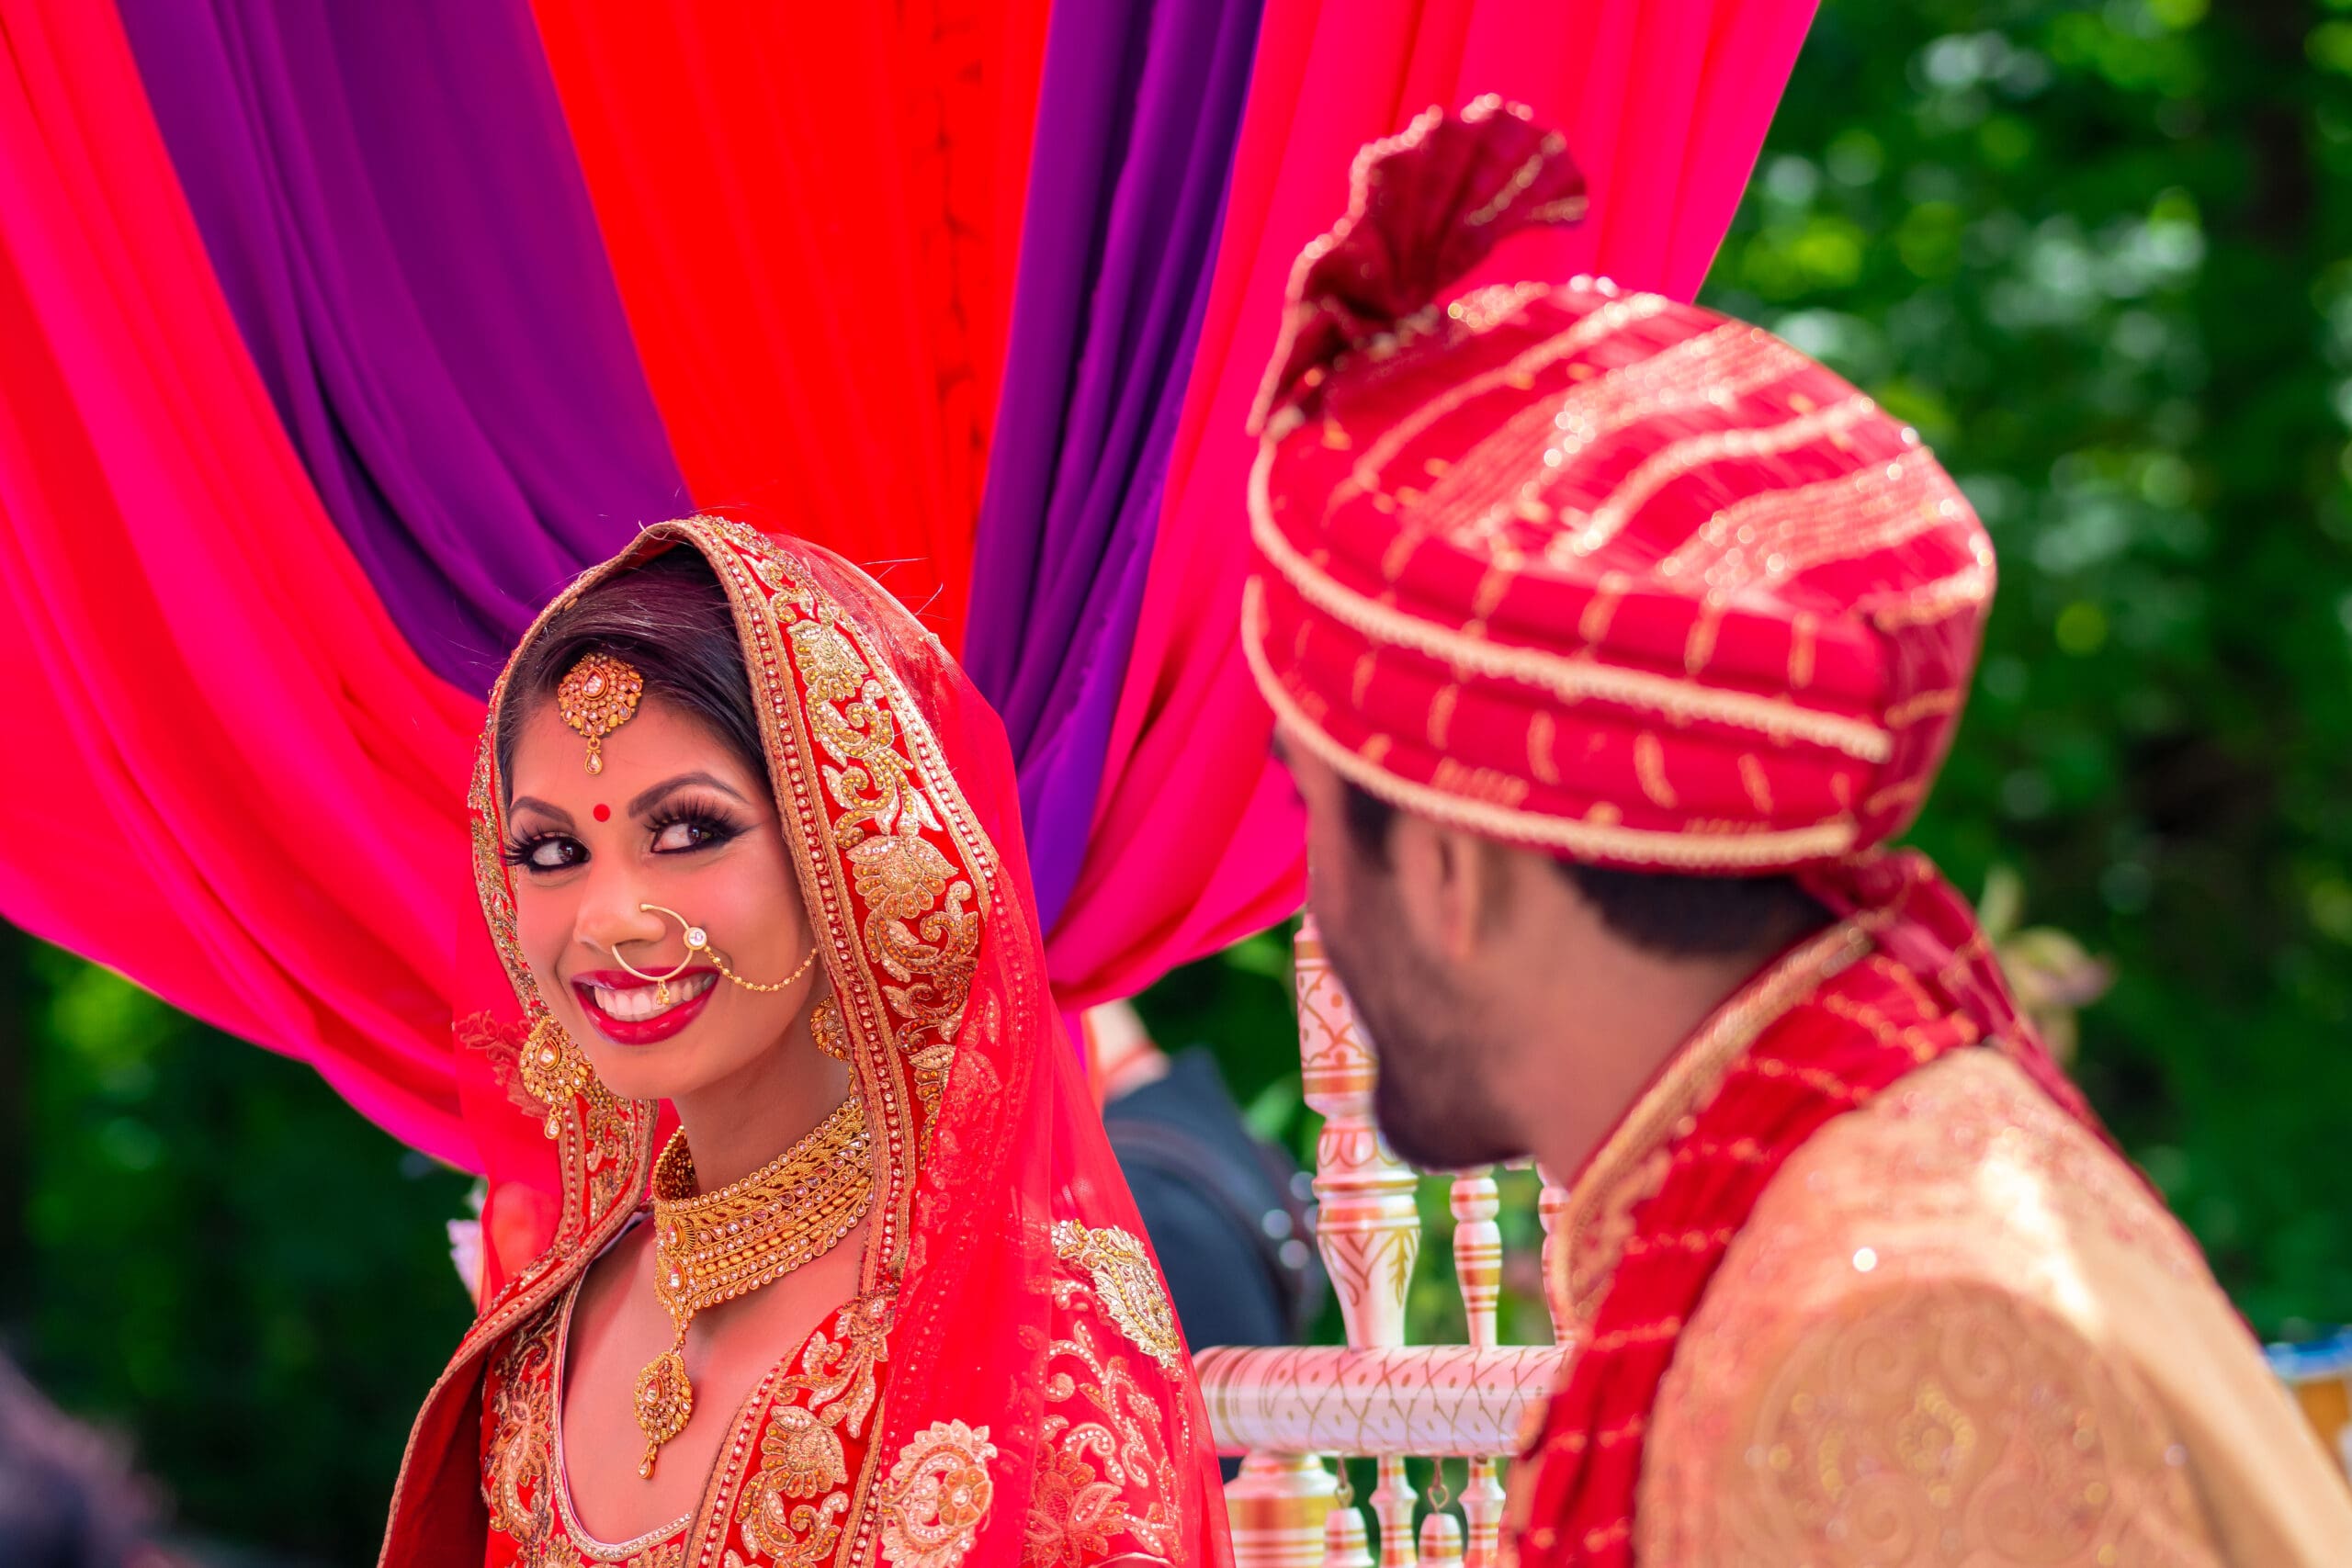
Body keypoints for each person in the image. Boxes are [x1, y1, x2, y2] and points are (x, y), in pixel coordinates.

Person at [1242, 103, 2352, 1564]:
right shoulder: (1836, 1185)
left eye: (1314, 808)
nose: (1311, 914)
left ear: (1451, 864)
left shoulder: (1884, 1337)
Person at [380, 519, 1226, 1566]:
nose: (606, 919)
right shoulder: (543, 1339)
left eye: (687, 831)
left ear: (851, 854)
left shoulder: (1044, 1327)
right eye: (551, 849)